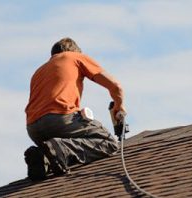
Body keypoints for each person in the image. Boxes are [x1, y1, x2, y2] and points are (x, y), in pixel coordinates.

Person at [24, 37, 125, 180]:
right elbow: (116, 87)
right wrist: (119, 106)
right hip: (60, 119)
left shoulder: (39, 71)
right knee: (107, 142)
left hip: (33, 128)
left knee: (54, 152)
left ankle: (42, 158)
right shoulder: (74, 57)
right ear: (74, 51)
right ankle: (60, 149)